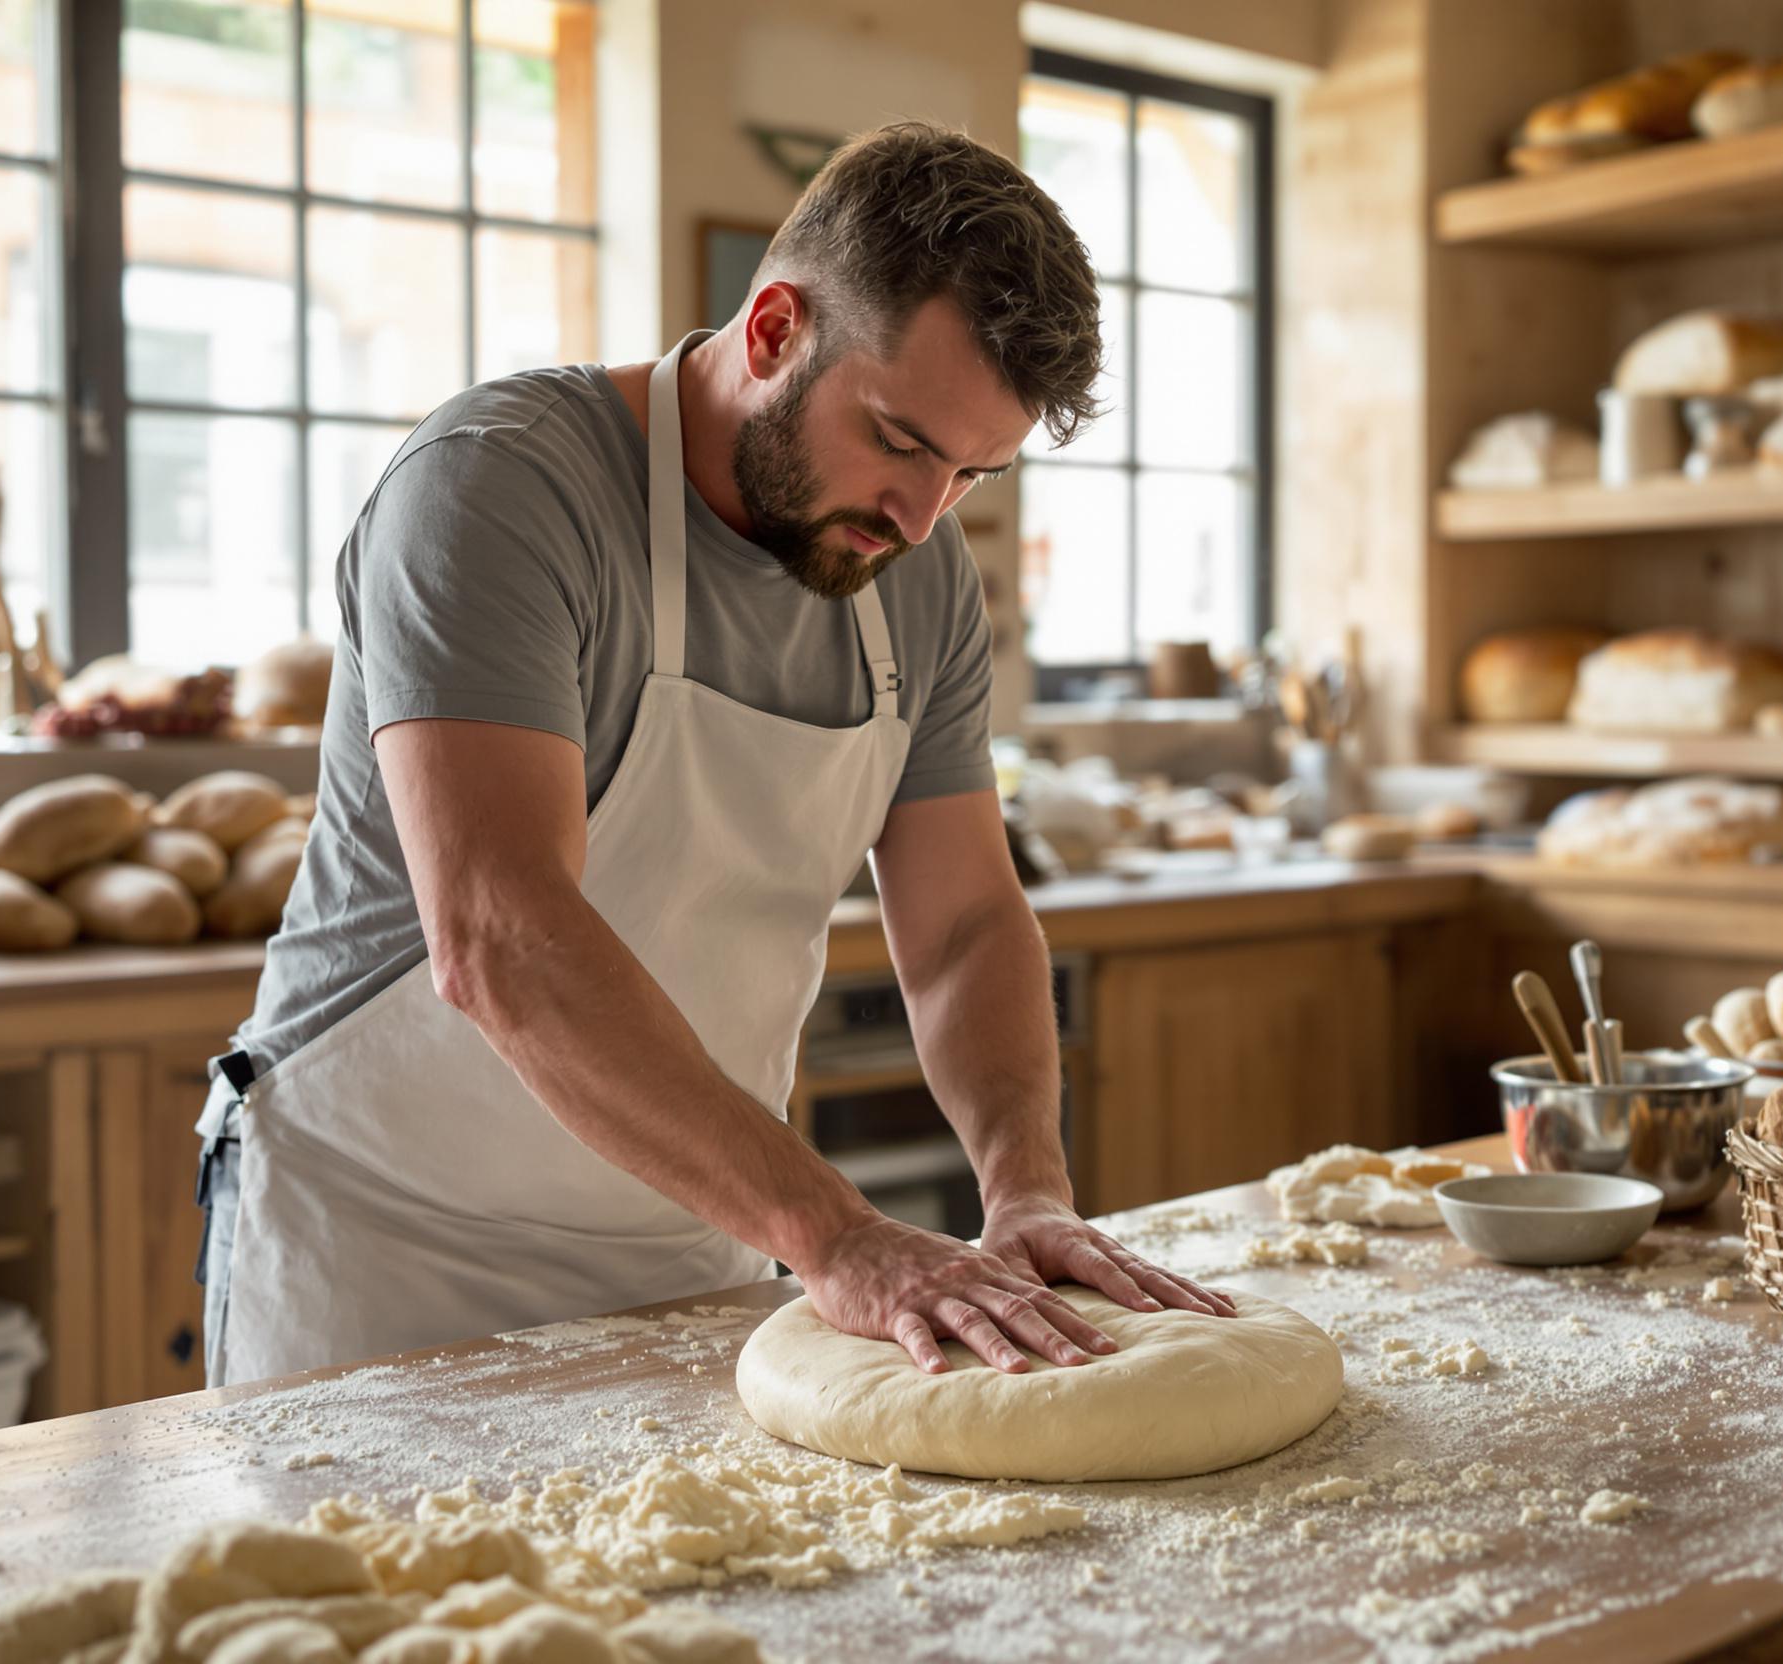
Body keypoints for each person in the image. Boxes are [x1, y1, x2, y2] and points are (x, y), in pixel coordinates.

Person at [196, 121, 1234, 1389]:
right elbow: (502, 936)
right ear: (773, 331)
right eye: (904, 441)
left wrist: (1028, 1188)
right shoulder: (496, 491)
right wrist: (840, 1234)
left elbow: (964, 921)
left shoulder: (914, 569)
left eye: (975, 473)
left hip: (701, 1229)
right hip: (386, 1252)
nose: (922, 517)